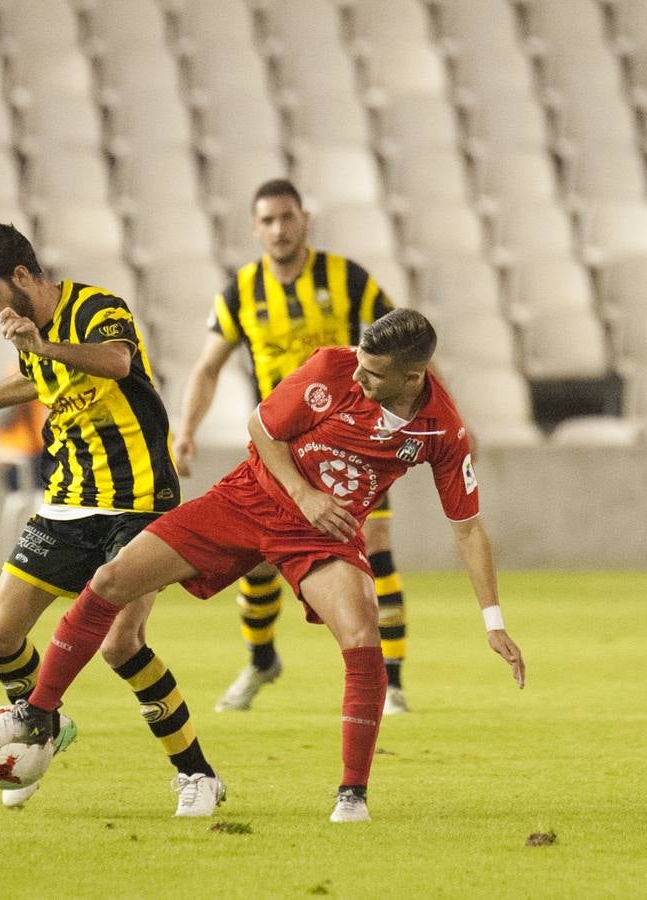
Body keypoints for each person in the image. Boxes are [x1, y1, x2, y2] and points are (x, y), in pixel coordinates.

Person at [0, 308, 526, 824]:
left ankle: (352, 797)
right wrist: (305, 494)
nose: (358, 378)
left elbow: (469, 528)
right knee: (111, 581)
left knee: (362, 639)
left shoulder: (441, 430)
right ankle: (39, 714)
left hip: (317, 536)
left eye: (374, 375)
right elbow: (262, 428)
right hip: (248, 500)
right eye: (360, 363)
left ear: (413, 378)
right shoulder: (333, 367)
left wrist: (493, 621)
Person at [0, 221, 225, 816]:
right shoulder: (27, 334)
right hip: (68, 497)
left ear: (20, 277)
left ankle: (198, 775)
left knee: (122, 644)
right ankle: (42, 727)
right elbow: (37, 378)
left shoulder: (97, 307)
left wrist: (40, 346)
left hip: (139, 500)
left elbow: (115, 363)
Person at [173, 178, 414, 715]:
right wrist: (186, 428)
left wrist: (430, 416)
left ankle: (392, 682)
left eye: (287, 217)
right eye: (268, 220)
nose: (279, 229)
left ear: (304, 219)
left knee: (374, 550)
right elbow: (207, 367)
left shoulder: (346, 279)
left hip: (352, 445)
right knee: (257, 560)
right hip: (279, 449)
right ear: (255, 228)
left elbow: (405, 347)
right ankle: (261, 662)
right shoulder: (240, 291)